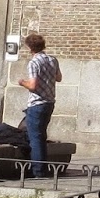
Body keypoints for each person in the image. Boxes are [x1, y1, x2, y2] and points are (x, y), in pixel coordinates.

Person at [18, 32, 59, 179]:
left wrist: (22, 82)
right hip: (50, 102)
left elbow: (33, 85)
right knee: (41, 136)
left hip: (36, 103)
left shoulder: (34, 63)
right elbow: (59, 77)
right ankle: (43, 168)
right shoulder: (52, 60)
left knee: (35, 138)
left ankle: (38, 171)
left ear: (30, 48)